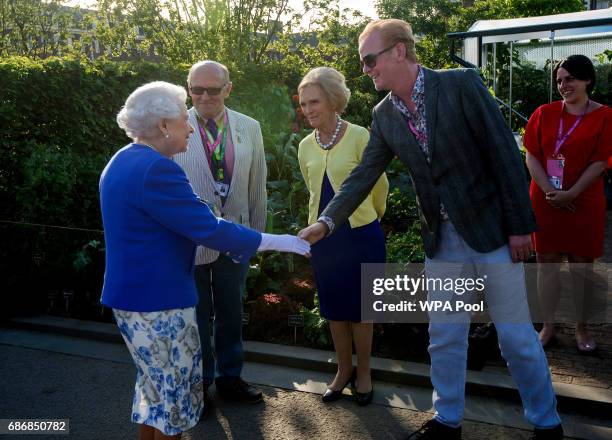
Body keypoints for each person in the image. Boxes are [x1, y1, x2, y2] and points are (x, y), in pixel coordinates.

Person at [298, 19, 563, 440]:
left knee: (515, 339)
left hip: (492, 234)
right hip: (442, 243)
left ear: (399, 51)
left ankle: (546, 423)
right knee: (444, 339)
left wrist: (520, 228)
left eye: (370, 59)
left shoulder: (461, 84)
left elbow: (504, 154)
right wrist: (326, 221)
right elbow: (363, 176)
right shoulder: (384, 115)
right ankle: (447, 421)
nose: (366, 69)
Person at [100, 81, 309, 440]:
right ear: (164, 126)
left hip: (132, 300)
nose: (191, 127)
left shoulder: (124, 158)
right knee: (176, 402)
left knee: (154, 393)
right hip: (160, 303)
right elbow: (209, 229)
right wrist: (282, 241)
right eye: (184, 119)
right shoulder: (158, 170)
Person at [173, 61, 268, 407]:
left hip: (235, 237)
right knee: (195, 318)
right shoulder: (173, 125)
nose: (204, 96)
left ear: (228, 89)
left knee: (231, 313)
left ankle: (231, 379)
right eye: (196, 89)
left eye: (213, 89)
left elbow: (258, 184)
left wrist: (255, 236)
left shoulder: (250, 127)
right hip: (189, 242)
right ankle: (200, 386)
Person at [297, 67, 388, 406]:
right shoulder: (305, 146)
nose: (308, 109)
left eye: (314, 101)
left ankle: (364, 372)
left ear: (333, 100)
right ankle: (343, 369)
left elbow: (378, 184)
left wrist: (374, 218)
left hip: (362, 234)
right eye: (304, 104)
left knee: (363, 309)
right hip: (324, 240)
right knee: (334, 308)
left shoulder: (360, 135)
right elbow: (312, 192)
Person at [524, 55, 611, 353]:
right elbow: (531, 155)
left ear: (587, 79)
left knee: (581, 269)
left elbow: (601, 162)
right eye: (559, 80)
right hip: (546, 200)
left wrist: (571, 193)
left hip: (583, 202)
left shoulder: (605, 116)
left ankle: (581, 327)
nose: (563, 85)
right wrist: (551, 191)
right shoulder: (543, 113)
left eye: (570, 78)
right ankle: (548, 324)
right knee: (545, 266)